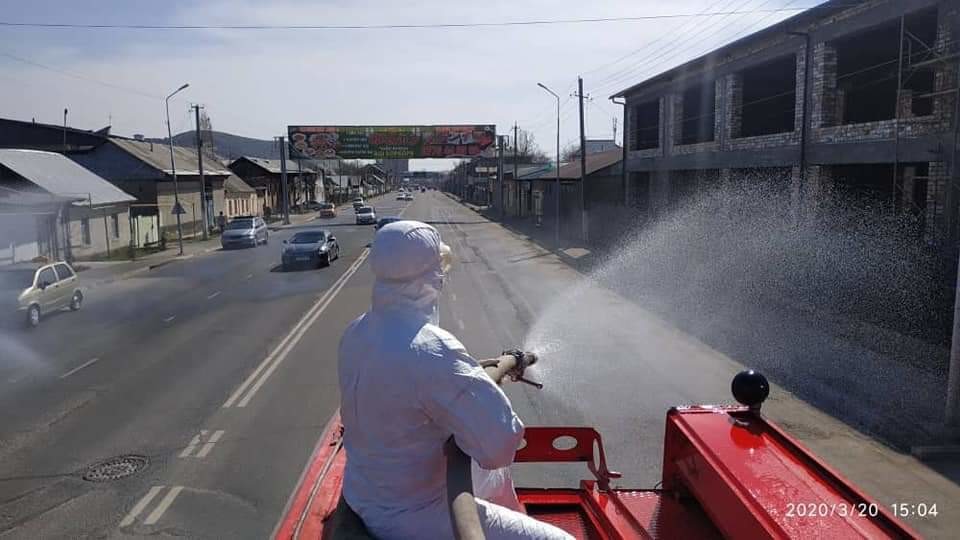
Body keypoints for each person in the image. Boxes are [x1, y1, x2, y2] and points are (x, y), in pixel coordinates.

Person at [338, 220, 572, 540]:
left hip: (367, 495)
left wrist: (473, 378)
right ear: (429, 276)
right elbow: (499, 447)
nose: (442, 277)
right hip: (412, 515)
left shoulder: (356, 332)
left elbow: (405, 390)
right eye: (440, 267)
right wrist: (484, 384)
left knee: (493, 477)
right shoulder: (433, 349)